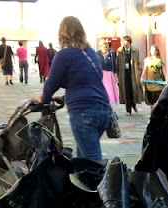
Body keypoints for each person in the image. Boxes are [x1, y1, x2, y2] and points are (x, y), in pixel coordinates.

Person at [38, 16, 111, 163]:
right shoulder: (90, 52)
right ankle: (82, 177)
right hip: (104, 109)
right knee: (82, 157)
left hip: (84, 112)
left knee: (92, 161)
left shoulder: (64, 55)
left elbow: (52, 83)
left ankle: (102, 178)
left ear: (62, 33)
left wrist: (43, 99)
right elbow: (87, 81)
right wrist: (64, 99)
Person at [116, 36, 142, 115]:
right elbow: (117, 63)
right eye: (123, 42)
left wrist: (139, 72)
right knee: (126, 91)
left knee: (133, 90)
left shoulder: (135, 51)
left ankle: (133, 105)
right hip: (124, 74)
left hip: (133, 73)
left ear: (130, 43)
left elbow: (139, 62)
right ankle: (128, 110)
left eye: (126, 43)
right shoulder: (119, 51)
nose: (125, 44)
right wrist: (117, 75)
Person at [141, 45, 166, 111]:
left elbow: (164, 70)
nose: (152, 52)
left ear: (157, 51)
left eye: (154, 50)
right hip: (150, 81)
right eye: (151, 50)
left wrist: (167, 78)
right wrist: (142, 77)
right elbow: (145, 69)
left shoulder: (160, 60)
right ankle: (152, 109)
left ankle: (157, 109)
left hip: (158, 81)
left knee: (158, 95)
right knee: (151, 96)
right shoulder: (147, 60)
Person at [97, 39, 118, 105]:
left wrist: (115, 76)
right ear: (100, 46)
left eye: (106, 46)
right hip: (100, 75)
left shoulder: (111, 54)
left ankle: (109, 103)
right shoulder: (96, 54)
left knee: (109, 90)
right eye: (104, 46)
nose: (105, 47)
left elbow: (114, 65)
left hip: (109, 75)